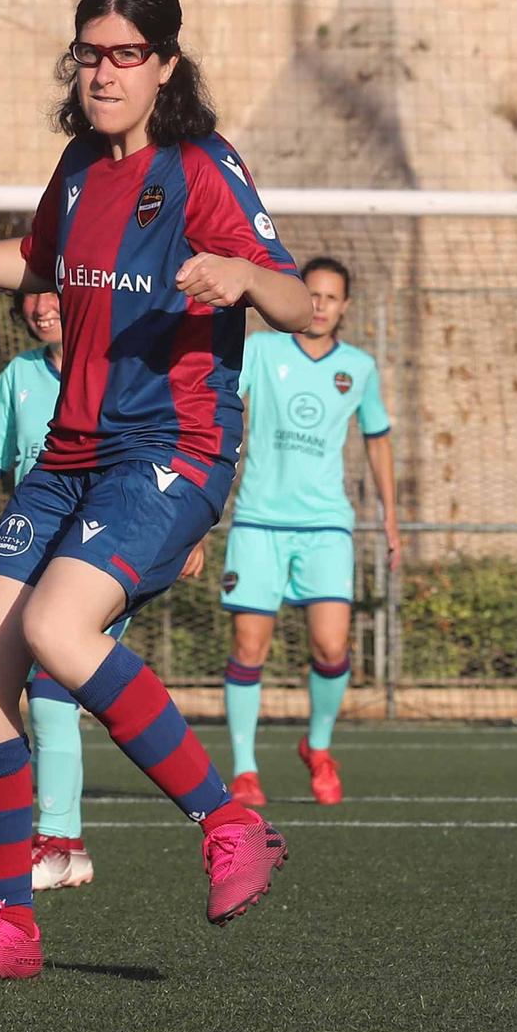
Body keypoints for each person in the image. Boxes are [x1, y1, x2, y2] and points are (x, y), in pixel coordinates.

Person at [0, 0, 311, 982]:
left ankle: (226, 820)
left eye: (125, 55)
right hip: (66, 458)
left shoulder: (200, 166)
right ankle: (9, 926)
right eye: (89, 53)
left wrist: (244, 276)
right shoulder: (76, 167)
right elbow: (38, 264)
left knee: (54, 632)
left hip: (169, 448)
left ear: (164, 65)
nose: (103, 72)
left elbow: (291, 300)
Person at [0, 290, 209, 893]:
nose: (40, 307)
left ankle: (64, 841)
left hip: (103, 541)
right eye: (27, 299)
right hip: (35, 539)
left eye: (51, 292)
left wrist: (186, 528)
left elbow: (174, 458)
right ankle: (34, 876)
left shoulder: (126, 365)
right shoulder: (21, 375)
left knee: (54, 684)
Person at [216, 256, 398, 807]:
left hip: (326, 527)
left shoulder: (359, 368)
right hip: (257, 521)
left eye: (330, 297)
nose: (319, 305)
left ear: (345, 306)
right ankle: (245, 769)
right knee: (250, 646)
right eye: (311, 294)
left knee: (332, 645)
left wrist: (389, 516)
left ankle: (318, 747)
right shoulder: (261, 350)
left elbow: (378, 437)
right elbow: (222, 402)